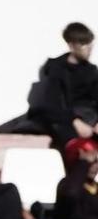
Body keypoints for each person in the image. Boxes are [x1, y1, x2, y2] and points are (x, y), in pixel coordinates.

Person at [17, 22, 98, 152]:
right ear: (71, 46)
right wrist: (74, 121)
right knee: (81, 151)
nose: (89, 48)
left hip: (88, 120)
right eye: (83, 44)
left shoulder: (91, 71)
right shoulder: (54, 68)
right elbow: (50, 103)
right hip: (62, 121)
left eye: (90, 43)